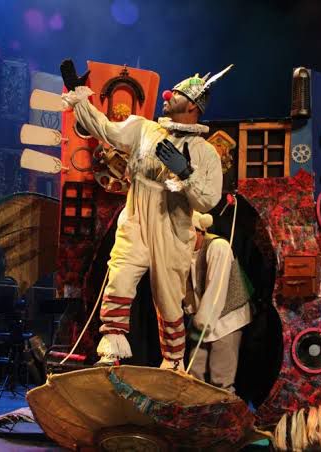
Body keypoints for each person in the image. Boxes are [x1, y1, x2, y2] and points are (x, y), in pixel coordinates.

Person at [60, 60, 232, 370]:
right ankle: (110, 352)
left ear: (192, 106)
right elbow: (105, 129)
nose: (168, 95)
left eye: (177, 94)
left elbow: (208, 201)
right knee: (119, 278)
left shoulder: (204, 152)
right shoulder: (144, 129)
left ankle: (173, 362)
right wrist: (78, 96)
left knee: (168, 300)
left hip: (171, 228)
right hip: (137, 217)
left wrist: (185, 172)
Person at [184, 211, 252, 392]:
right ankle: (198, 407)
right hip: (201, 318)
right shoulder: (183, 252)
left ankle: (224, 408)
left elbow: (216, 290)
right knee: (194, 373)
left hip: (226, 318)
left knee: (220, 377)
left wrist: (200, 322)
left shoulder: (218, 247)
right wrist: (191, 313)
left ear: (198, 230)